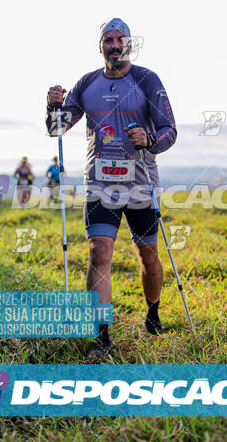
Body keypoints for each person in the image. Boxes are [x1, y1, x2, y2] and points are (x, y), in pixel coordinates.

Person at [46, 18, 177, 357]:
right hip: (100, 183)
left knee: (147, 254)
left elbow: (169, 131)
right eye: (108, 40)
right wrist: (52, 106)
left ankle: (153, 312)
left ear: (130, 44)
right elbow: (56, 128)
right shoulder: (87, 83)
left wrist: (148, 139)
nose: (115, 45)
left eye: (121, 39)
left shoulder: (147, 80)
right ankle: (102, 337)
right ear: (100, 45)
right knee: (98, 253)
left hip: (140, 184)